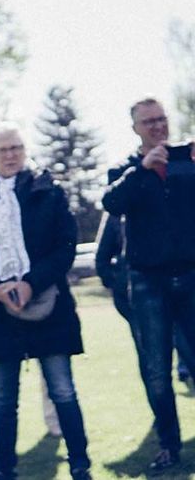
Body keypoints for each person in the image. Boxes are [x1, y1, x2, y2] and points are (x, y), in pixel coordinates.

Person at [0, 122, 91, 480]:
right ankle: (4, 470)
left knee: (63, 390)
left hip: (49, 306)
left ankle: (80, 464)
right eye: (2, 150)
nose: (10, 155)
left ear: (25, 150)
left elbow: (65, 247)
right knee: (3, 399)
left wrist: (32, 283)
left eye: (15, 147)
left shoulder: (48, 191)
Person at [101, 97, 195, 472]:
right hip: (147, 282)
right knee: (156, 371)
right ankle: (169, 445)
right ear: (135, 129)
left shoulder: (186, 160)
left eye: (161, 119)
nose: (157, 126)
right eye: (148, 121)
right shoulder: (124, 170)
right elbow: (111, 203)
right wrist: (142, 170)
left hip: (190, 276)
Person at [95, 212, 195, 387]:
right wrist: (122, 284)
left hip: (178, 291)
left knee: (187, 347)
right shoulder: (119, 214)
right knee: (153, 363)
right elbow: (102, 260)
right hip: (140, 298)